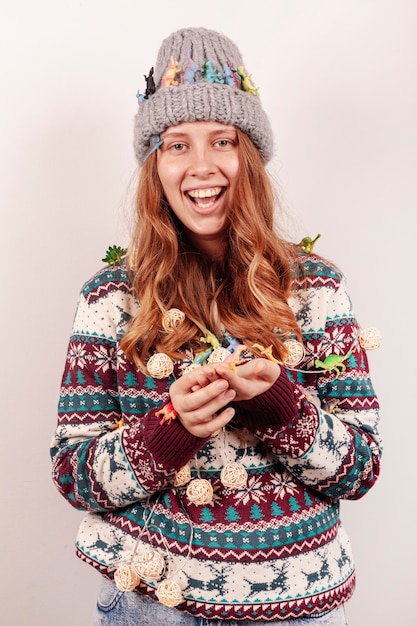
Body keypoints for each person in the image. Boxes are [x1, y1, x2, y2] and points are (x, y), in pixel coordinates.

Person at [51, 27, 382, 626]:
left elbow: (361, 468)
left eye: (222, 140)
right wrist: (169, 429)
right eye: (176, 145)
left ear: (248, 154)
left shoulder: (316, 290)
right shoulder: (111, 299)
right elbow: (74, 476)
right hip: (155, 603)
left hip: (296, 608)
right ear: (154, 164)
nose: (201, 166)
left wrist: (281, 404)